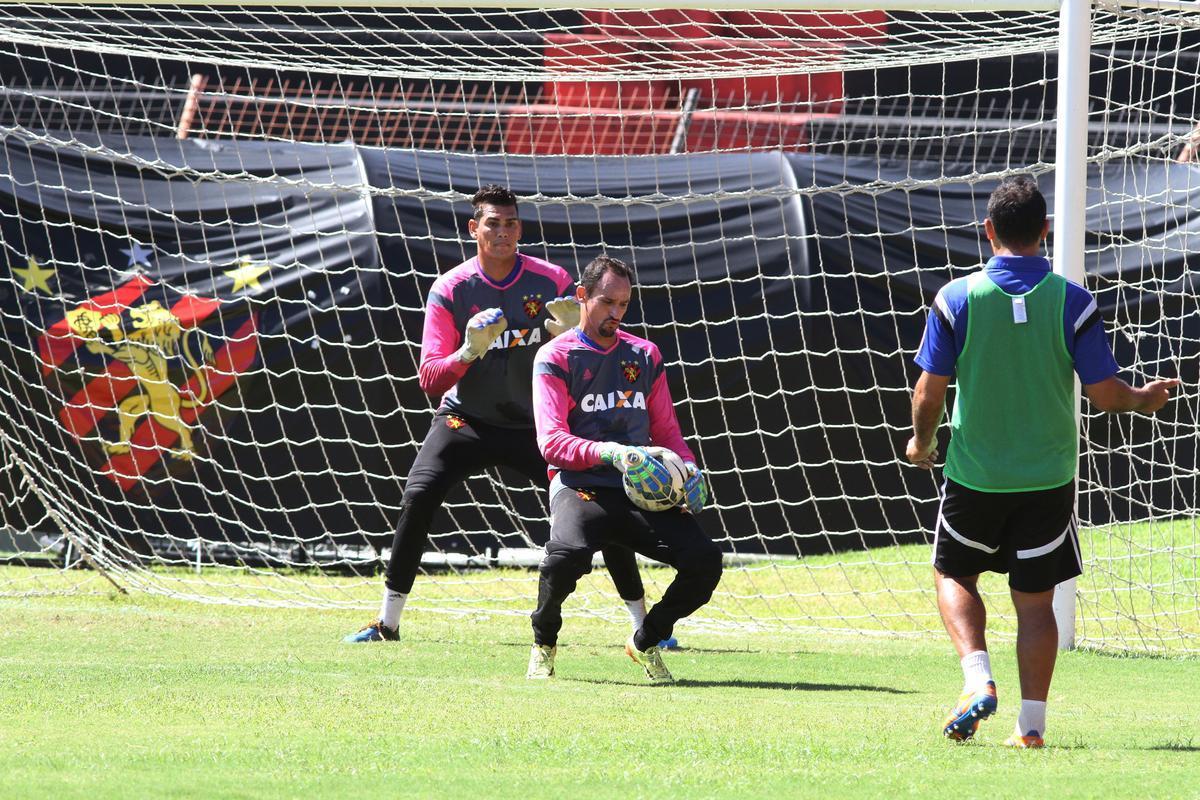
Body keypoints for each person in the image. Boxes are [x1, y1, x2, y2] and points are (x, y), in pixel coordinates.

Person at [906, 175, 1180, 747]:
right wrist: (1146, 399)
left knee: (953, 573)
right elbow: (1106, 396)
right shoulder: (1073, 301)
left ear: (988, 231)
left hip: (976, 475)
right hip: (1047, 479)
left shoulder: (956, 298)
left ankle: (977, 680)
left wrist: (921, 444)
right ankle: (1030, 729)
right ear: (1046, 232)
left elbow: (929, 391)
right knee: (1034, 603)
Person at [345, 186, 662, 644]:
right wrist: (468, 350)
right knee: (419, 493)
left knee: (602, 503)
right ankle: (387, 623)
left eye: (511, 223)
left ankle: (645, 626)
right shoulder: (450, 289)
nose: (503, 232)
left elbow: (600, 351)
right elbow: (430, 379)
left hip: (538, 428)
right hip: (466, 419)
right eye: (493, 222)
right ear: (474, 228)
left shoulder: (552, 280)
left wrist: (574, 335)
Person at [526, 255, 723, 683]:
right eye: (606, 302)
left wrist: (688, 469)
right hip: (581, 487)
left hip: (641, 491)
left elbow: (667, 430)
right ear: (582, 296)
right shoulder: (555, 357)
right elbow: (552, 442)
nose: (616, 313)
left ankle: (647, 639)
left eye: (623, 305)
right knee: (565, 556)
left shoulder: (645, 354)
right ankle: (544, 641)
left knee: (705, 561)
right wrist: (612, 453)